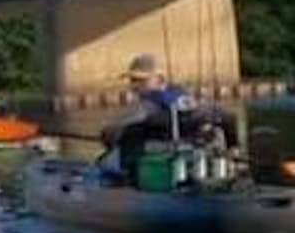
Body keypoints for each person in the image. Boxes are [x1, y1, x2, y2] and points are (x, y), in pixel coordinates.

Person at [99, 53, 239, 182]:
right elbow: (228, 117)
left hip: (160, 161)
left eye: (140, 80)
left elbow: (111, 132)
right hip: (196, 154)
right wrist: (233, 147)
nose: (133, 86)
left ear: (158, 79)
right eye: (132, 80)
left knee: (118, 148)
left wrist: (110, 139)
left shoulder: (146, 105)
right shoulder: (189, 99)